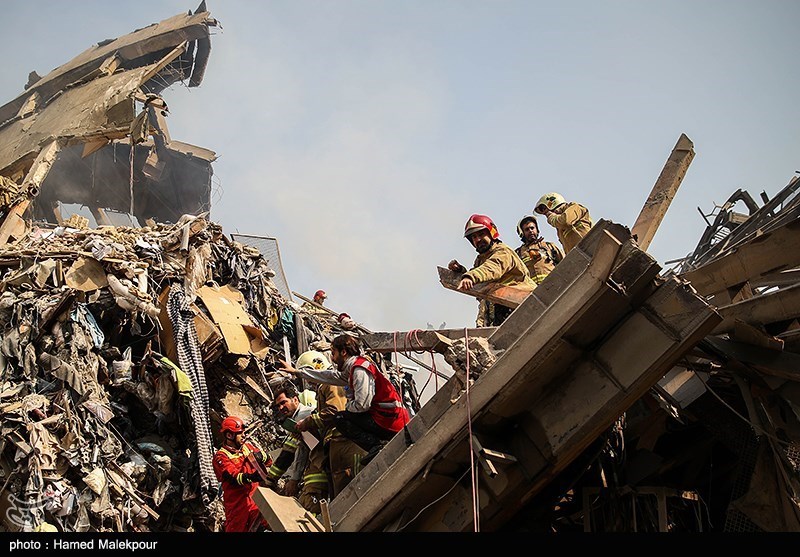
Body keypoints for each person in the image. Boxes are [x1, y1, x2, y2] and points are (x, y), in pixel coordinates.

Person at [280, 334, 410, 465]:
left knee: (341, 418)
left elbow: (362, 405)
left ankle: (376, 445)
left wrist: (348, 407)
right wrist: (297, 372)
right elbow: (328, 376)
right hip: (385, 417)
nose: (332, 358)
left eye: (333, 353)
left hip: (389, 419)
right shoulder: (351, 370)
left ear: (343, 352)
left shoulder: (359, 369)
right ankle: (377, 444)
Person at [292, 350, 367, 510]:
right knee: (341, 496)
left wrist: (308, 422)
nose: (309, 382)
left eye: (308, 375)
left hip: (345, 441)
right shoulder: (324, 388)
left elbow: (335, 410)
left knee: (350, 495)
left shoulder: (330, 384)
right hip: (337, 445)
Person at [448, 213, 537, 327]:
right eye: (474, 237)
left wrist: (470, 276)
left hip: (523, 305)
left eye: (481, 234)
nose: (478, 239)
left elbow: (492, 267)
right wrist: (461, 271)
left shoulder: (503, 252)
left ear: (492, 233)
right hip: (501, 308)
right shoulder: (481, 260)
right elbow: (480, 277)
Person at [212, 416, 272, 532]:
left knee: (266, 526)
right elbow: (233, 477)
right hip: (237, 506)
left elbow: (269, 460)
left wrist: (261, 456)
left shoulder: (247, 447)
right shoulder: (221, 457)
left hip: (255, 501)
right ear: (230, 435)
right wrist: (252, 477)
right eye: (240, 433)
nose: (244, 435)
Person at [264, 382, 316, 498]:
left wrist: (294, 479)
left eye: (283, 403)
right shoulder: (295, 420)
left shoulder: (303, 416)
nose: (281, 408)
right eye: (278, 406)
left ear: (296, 400)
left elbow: (301, 451)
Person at [514, 215, 564, 284]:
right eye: (527, 229)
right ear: (522, 233)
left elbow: (565, 262)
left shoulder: (549, 246)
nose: (530, 231)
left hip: (554, 285)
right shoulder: (518, 254)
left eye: (532, 228)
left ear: (537, 229)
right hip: (534, 291)